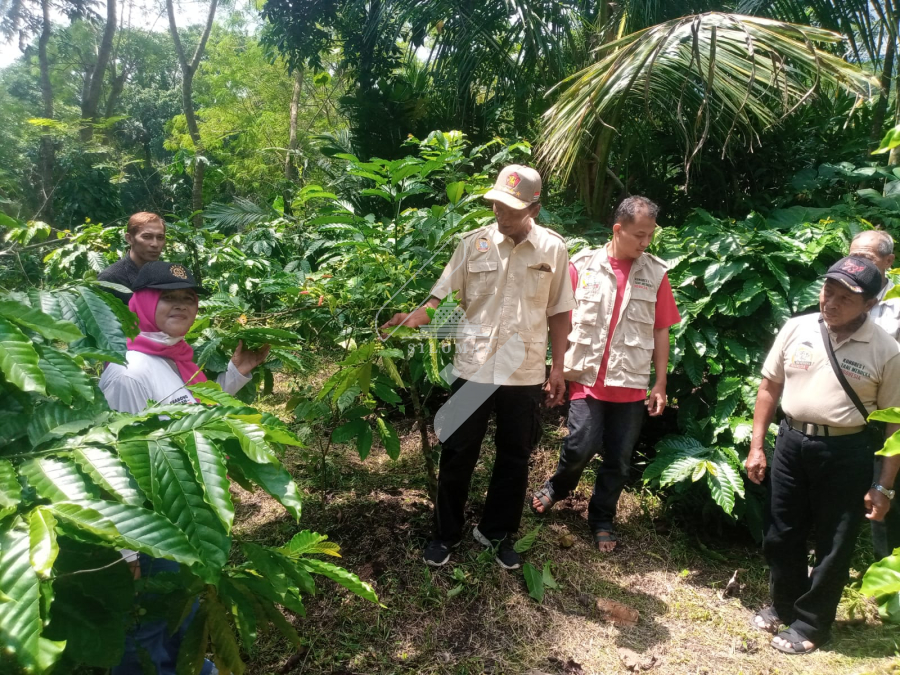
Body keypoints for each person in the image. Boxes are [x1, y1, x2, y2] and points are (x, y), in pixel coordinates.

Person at [381, 165, 575, 570]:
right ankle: (445, 534)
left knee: (515, 456)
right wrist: (410, 318)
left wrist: (558, 368)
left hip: (523, 372)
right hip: (474, 367)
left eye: (511, 208)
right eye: (496, 205)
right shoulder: (473, 244)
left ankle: (497, 532)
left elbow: (559, 313)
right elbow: (438, 301)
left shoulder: (553, 249)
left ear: (534, 208)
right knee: (457, 451)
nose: (500, 213)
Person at [100, 261, 269, 675]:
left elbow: (195, 413)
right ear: (142, 303)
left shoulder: (173, 358)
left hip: (184, 517)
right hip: (150, 528)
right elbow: (116, 464)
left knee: (181, 613)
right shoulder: (129, 372)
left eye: (188, 299)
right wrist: (126, 551)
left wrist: (237, 373)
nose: (181, 305)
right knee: (145, 633)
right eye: (168, 297)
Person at [746, 255, 900, 655]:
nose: (831, 302)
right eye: (828, 291)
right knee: (780, 532)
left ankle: (812, 623)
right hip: (791, 442)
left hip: (846, 451)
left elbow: (895, 425)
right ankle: (784, 605)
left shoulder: (886, 351)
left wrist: (883, 486)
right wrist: (757, 445)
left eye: (845, 298)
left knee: (835, 541)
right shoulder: (797, 328)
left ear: (870, 304)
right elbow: (769, 386)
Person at [529, 196, 681, 552]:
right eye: (639, 235)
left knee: (619, 459)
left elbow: (661, 330)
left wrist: (660, 382)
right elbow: (562, 320)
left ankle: (601, 517)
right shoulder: (582, 266)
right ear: (618, 229)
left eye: (650, 235)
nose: (645, 243)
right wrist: (557, 368)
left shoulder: (655, 274)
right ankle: (558, 487)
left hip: (630, 383)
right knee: (580, 444)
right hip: (587, 377)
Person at [849, 230, 900, 561]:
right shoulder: (839, 294)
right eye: (852, 256)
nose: (858, 264)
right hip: (849, 419)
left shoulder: (897, 306)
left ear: (888, 261)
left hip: (889, 416)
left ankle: (889, 570)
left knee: (886, 493)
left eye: (866, 258)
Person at [98, 212, 167, 304]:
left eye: (160, 237)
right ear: (129, 239)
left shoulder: (166, 275)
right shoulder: (110, 279)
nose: (155, 244)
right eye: (147, 237)